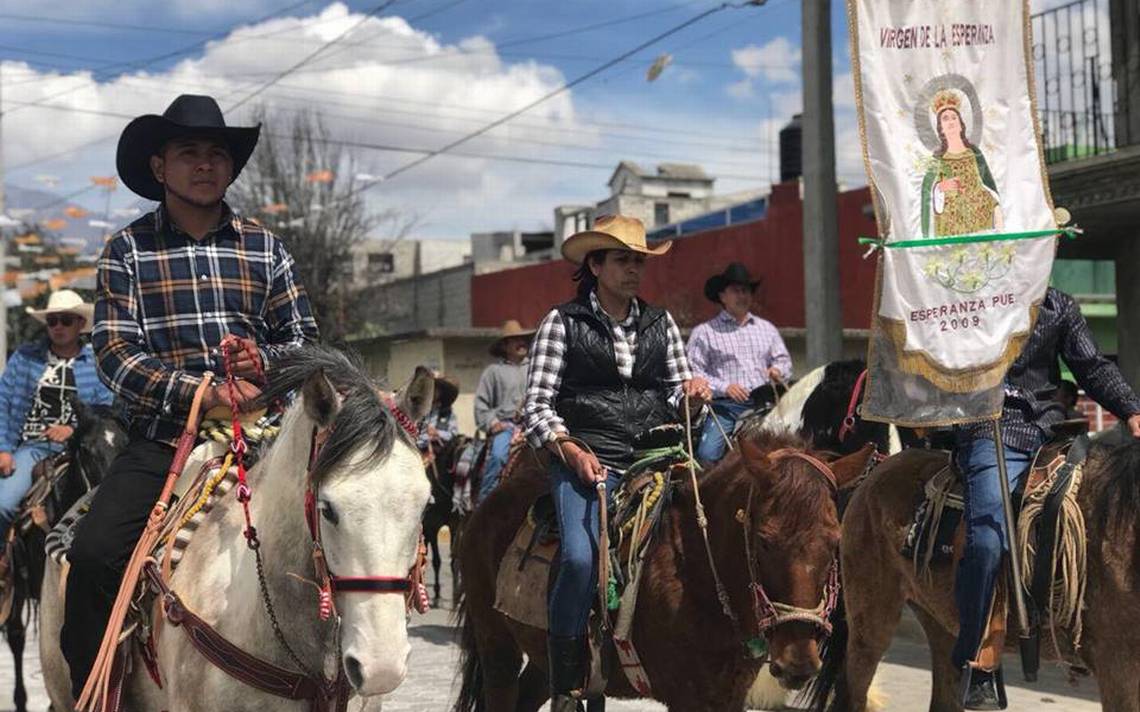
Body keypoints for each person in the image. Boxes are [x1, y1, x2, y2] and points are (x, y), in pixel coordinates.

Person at [60, 94, 319, 698]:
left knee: (350, 529)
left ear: (229, 168)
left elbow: (304, 341)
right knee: (97, 557)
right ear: (160, 168)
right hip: (161, 441)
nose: (205, 164)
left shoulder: (267, 248)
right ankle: (96, 694)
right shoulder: (126, 251)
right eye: (189, 153)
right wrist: (201, 395)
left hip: (267, 438)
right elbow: (116, 353)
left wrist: (267, 364)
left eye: (216, 154)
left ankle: (340, 676)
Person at [523, 215, 710, 710]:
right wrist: (570, 449)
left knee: (711, 533)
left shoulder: (661, 322)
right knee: (582, 558)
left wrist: (690, 395)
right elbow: (538, 406)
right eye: (624, 259)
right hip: (588, 458)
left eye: (639, 260)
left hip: (657, 455)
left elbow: (674, 392)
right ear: (596, 264)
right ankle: (565, 684)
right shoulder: (561, 323)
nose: (634, 269)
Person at [953, 286, 1140, 708]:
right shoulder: (970, 297)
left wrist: (1131, 410)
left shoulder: (1059, 305)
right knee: (986, 541)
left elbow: (1091, 366)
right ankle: (975, 661)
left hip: (1052, 432)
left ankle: (1081, 621)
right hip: (989, 429)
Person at [0, 290, 114, 543]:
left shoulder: (94, 363)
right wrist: (3, 449)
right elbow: (4, 402)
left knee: (114, 505)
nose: (58, 326)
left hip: (84, 449)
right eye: (53, 321)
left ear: (80, 324)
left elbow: (105, 410)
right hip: (32, 447)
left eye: (66, 320)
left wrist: (73, 430)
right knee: (3, 504)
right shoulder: (25, 357)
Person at [687, 262, 792, 464]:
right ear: (722, 296)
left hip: (765, 402)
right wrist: (725, 387)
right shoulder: (704, 332)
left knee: (794, 445)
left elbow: (784, 361)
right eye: (736, 291)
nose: (742, 296)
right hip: (726, 407)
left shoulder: (766, 329)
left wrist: (777, 370)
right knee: (707, 455)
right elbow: (694, 374)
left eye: (746, 291)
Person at [921, 88, 1003, 237]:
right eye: (945, 119)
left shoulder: (975, 154)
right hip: (950, 225)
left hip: (980, 220)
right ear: (941, 128)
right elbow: (926, 196)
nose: (951, 122)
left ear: (961, 124)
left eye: (954, 117)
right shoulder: (937, 160)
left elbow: (990, 188)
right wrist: (940, 188)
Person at [474, 319, 533, 500]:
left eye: (523, 339)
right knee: (499, 456)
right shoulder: (493, 372)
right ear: (505, 345)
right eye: (515, 339)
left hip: (534, 424)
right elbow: (481, 404)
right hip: (506, 426)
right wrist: (493, 423)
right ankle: (485, 503)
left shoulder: (535, 368)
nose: (521, 343)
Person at [418, 374, 460, 458]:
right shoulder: (419, 409)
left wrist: (438, 433)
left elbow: (453, 433)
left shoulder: (448, 413)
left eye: (436, 389)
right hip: (418, 452)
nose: (433, 392)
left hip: (440, 456)